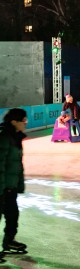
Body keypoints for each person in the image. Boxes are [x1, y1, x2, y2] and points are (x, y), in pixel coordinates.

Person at [0, 108, 29, 256]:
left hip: (9, 187)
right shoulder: (4, 138)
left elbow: (16, 164)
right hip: (2, 187)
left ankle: (9, 241)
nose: (26, 123)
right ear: (14, 122)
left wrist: (17, 185)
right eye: (23, 120)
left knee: (12, 216)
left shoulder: (15, 137)